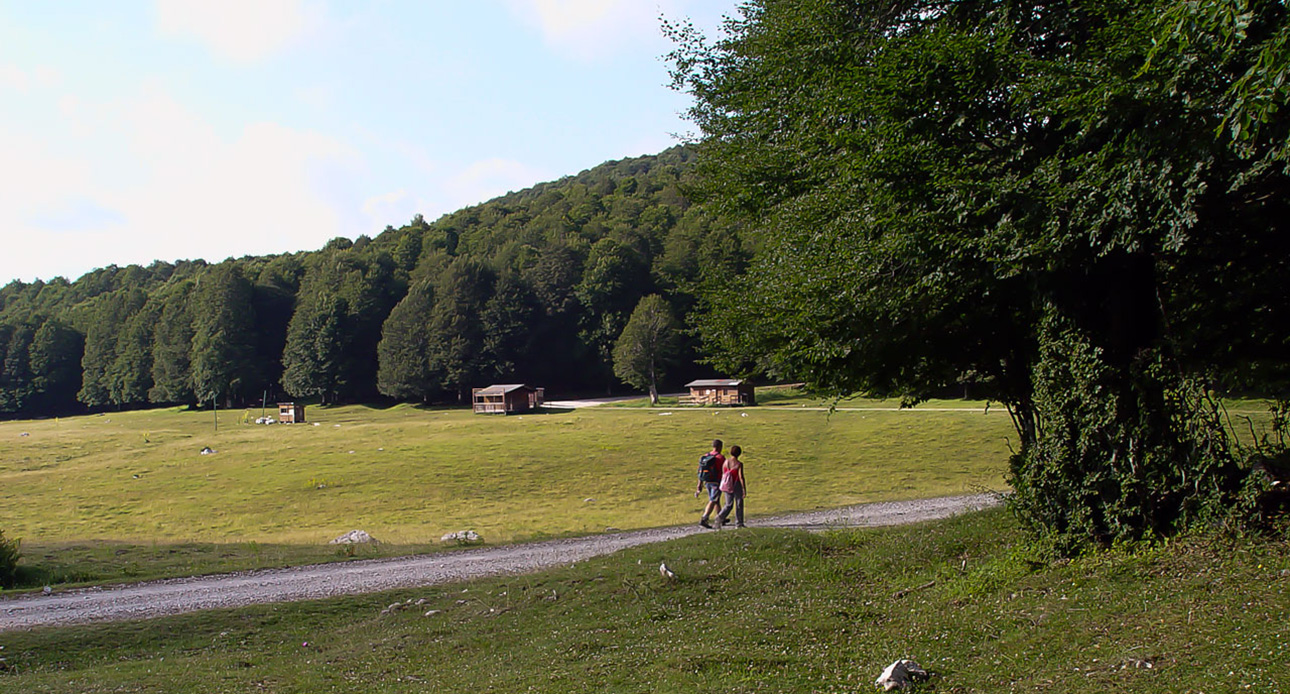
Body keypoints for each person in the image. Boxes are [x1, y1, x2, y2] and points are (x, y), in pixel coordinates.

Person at [695, 438, 725, 529]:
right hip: (716, 481)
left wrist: (699, 484)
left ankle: (721, 518)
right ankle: (704, 518)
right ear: (720, 447)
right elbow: (724, 470)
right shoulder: (720, 458)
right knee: (713, 500)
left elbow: (701, 471)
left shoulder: (706, 456)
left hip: (707, 481)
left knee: (716, 500)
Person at [717, 444, 747, 528]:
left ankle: (720, 517)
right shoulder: (739, 464)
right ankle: (739, 523)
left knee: (728, 504)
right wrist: (744, 488)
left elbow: (724, 473)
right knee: (739, 503)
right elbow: (741, 477)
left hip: (727, 484)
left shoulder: (725, 462)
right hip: (736, 484)